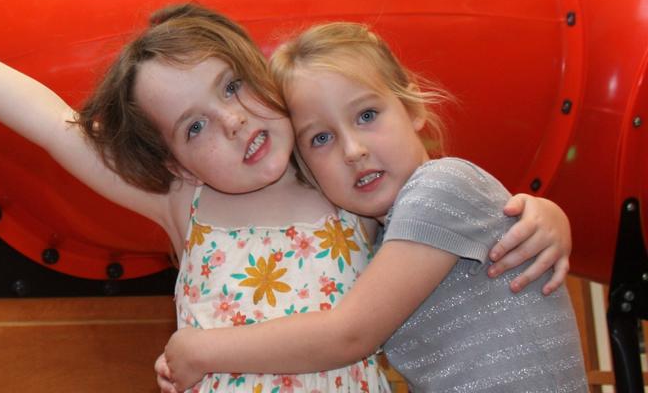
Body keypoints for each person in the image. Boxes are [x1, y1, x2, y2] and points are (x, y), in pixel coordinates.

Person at [0, 4, 572, 392]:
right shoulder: (184, 206)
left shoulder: (333, 183)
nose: (232, 121)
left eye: (231, 87)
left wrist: (545, 214)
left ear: (265, 79)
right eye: (196, 126)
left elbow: (435, 212)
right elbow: (56, 128)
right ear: (175, 158)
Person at [158, 21, 587, 392]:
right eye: (320, 139)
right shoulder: (377, 239)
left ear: (413, 106)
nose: (353, 149)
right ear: (307, 168)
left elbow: (350, 335)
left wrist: (201, 349)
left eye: (366, 115)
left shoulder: (440, 186)